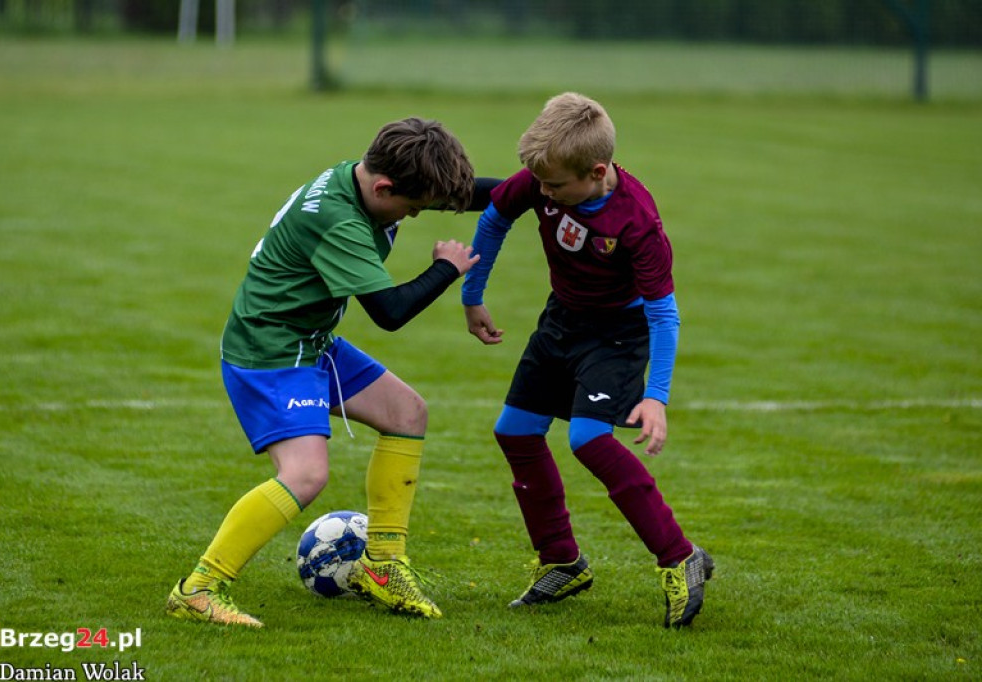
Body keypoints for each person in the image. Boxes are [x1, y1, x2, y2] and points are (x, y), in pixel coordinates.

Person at [166, 117, 482, 627]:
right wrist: (447, 266)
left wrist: (541, 190)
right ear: (384, 187)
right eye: (412, 207)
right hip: (269, 351)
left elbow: (460, 191)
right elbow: (389, 312)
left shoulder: (363, 178)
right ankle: (198, 588)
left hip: (309, 340)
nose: (415, 216)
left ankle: (382, 566)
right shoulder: (339, 221)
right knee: (307, 474)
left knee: (407, 412)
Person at [462, 93, 713, 628]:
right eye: (541, 184)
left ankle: (680, 557)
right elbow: (494, 217)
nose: (543, 194)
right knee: (516, 432)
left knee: (588, 438)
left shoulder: (638, 222)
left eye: (554, 188)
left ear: (597, 172)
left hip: (617, 336)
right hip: (562, 321)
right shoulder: (545, 174)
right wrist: (472, 295)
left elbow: (664, 316)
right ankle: (561, 562)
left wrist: (656, 396)